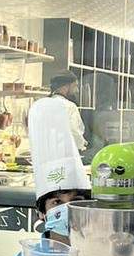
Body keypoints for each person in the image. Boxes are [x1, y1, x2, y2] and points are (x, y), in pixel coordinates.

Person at [28, 97, 91, 243]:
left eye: (76, 201)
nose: (67, 209)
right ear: (42, 213)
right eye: (57, 202)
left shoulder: (99, 254)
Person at [50, 73, 87, 152]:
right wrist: (81, 145)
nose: (77, 90)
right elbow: (74, 131)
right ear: (65, 87)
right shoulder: (70, 107)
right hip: (63, 153)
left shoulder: (41, 105)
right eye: (75, 86)